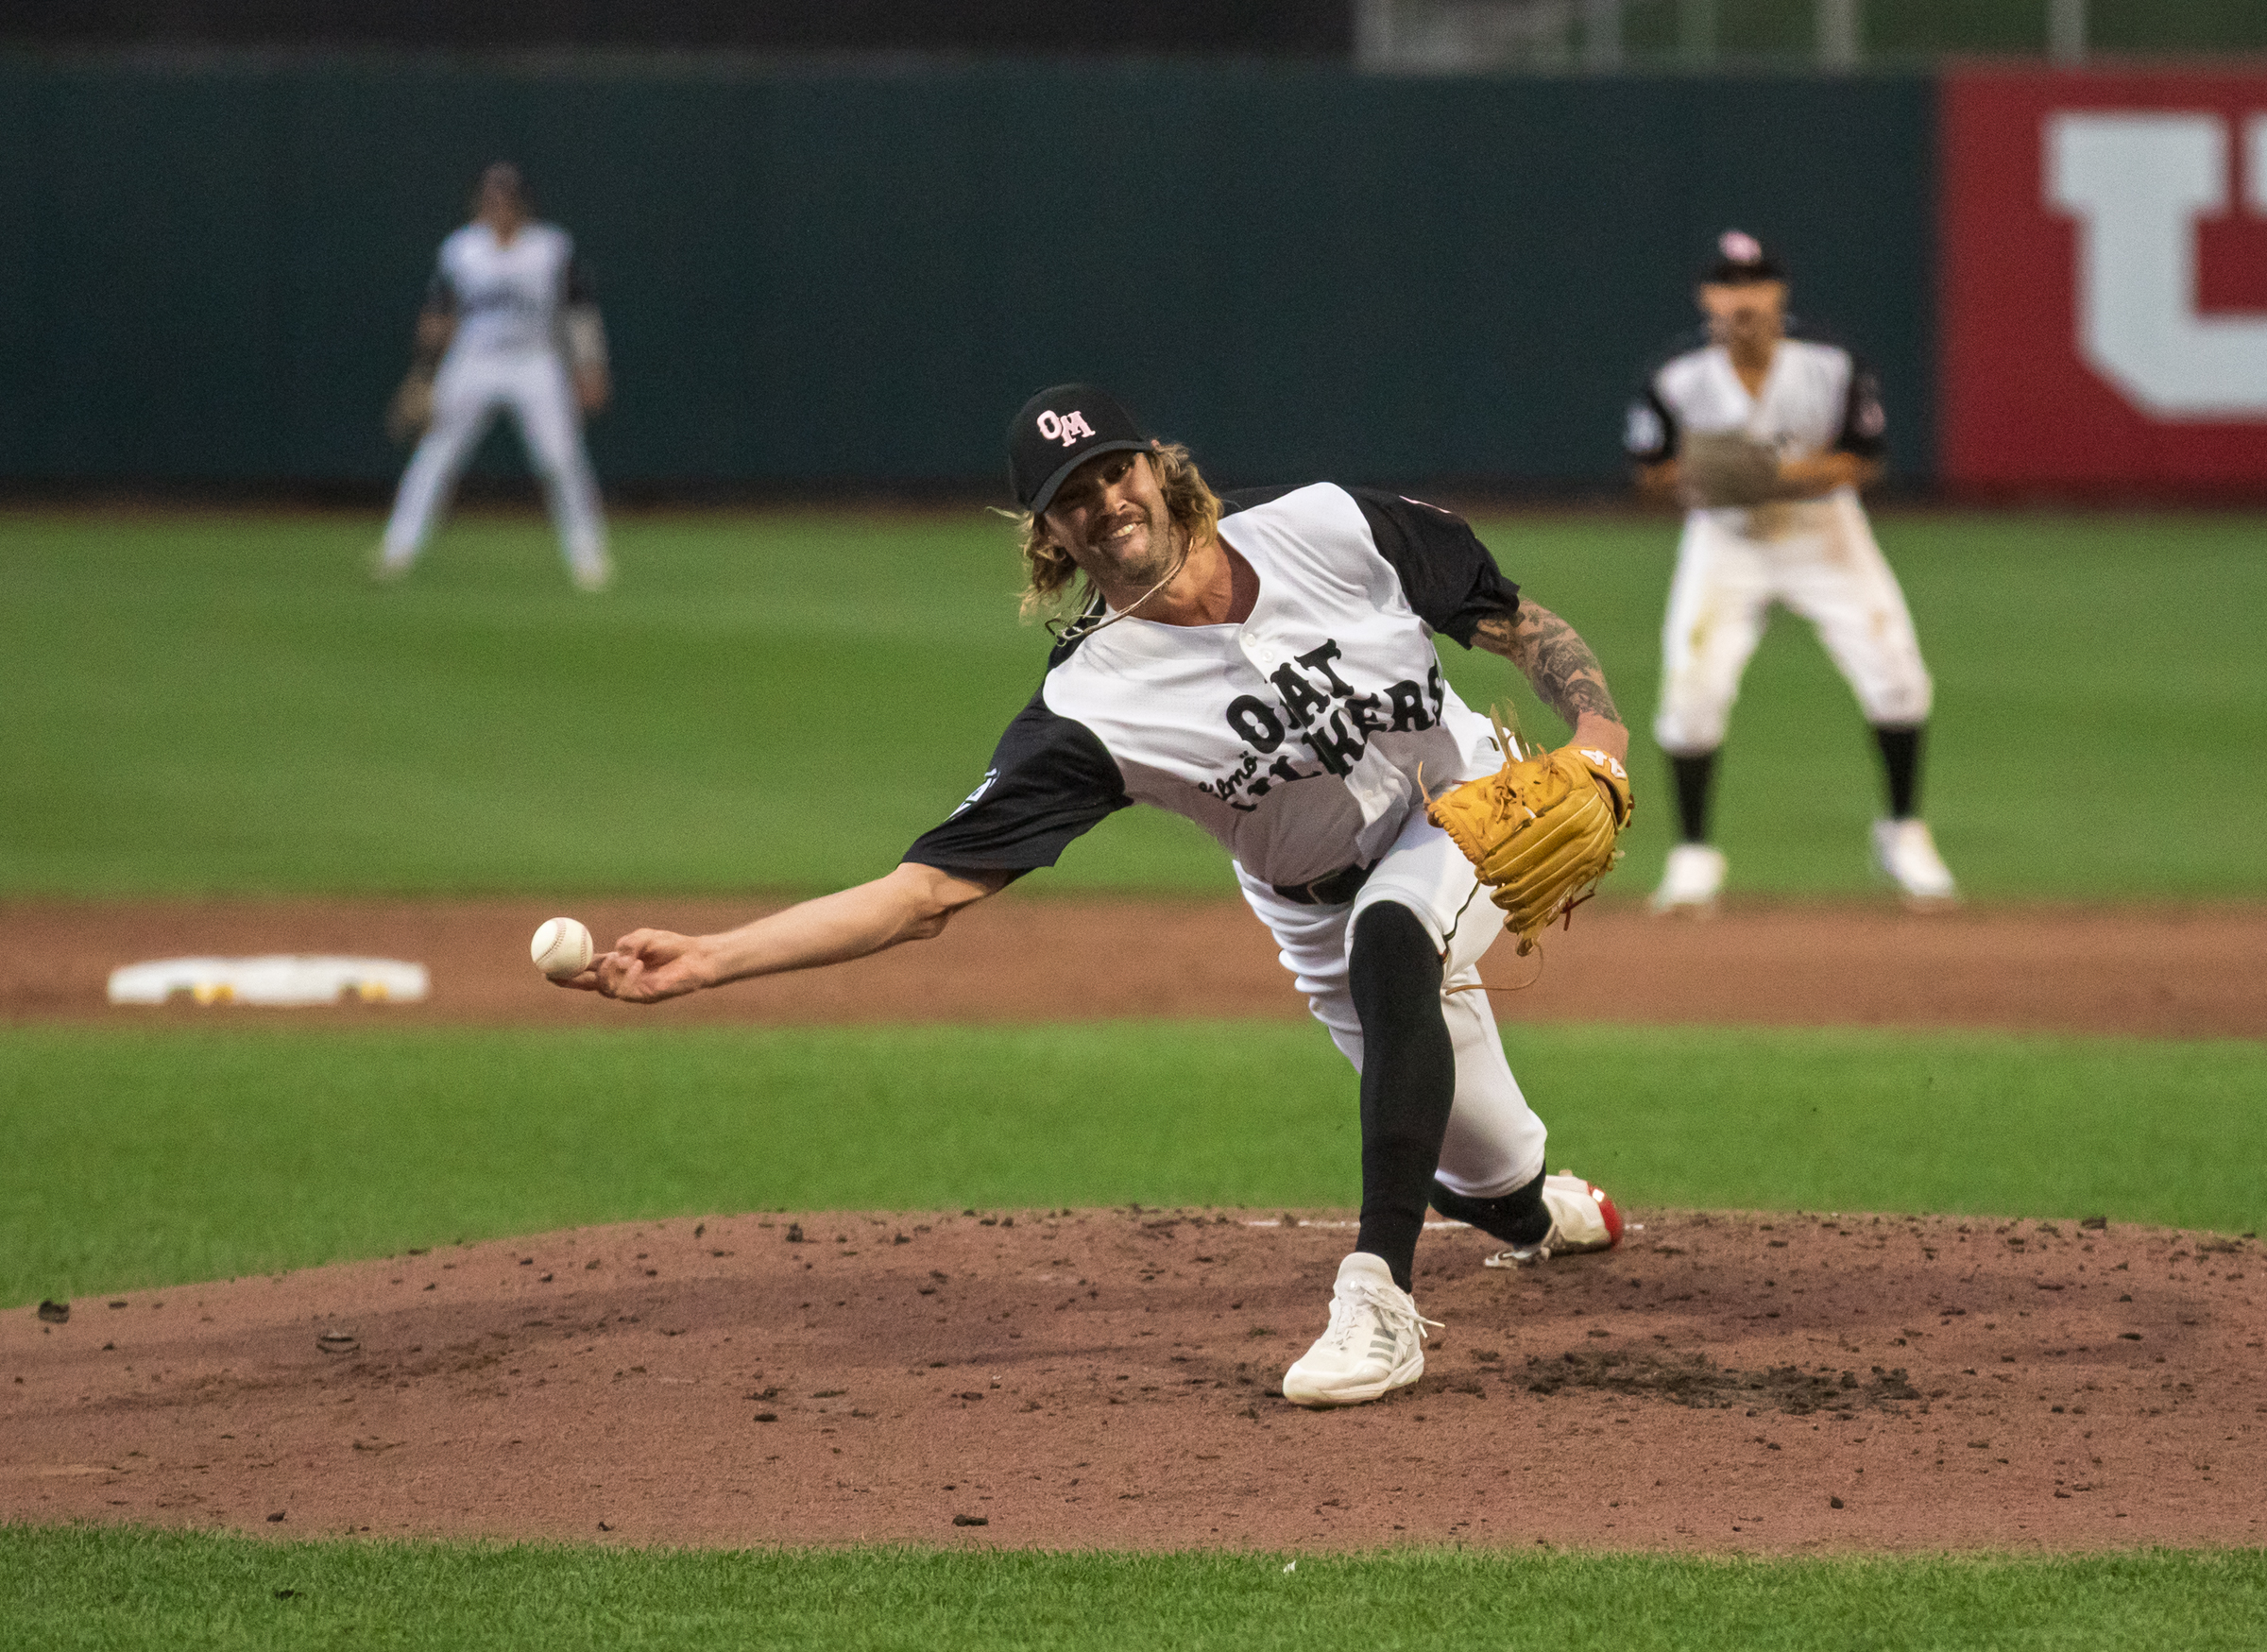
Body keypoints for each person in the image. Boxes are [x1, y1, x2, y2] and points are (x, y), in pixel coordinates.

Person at [556, 384, 1631, 1409]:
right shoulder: (1091, 707)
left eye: (1116, 472)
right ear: (1049, 536)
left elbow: (1516, 622)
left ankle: (1377, 1304)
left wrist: (1600, 733)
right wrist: (714, 957)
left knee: (1397, 933)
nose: (1104, 502)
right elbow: (924, 892)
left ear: (1161, 474)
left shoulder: (1331, 526)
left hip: (1476, 808)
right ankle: (1539, 1209)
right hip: (1316, 911)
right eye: (1073, 495)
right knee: (1480, 1171)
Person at [1627, 230, 1955, 911]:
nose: (1741, 299)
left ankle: (1902, 832)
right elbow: (1649, 471)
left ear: (1779, 293)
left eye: (1754, 284)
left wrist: (1775, 475)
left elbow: (1865, 457)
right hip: (1727, 541)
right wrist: (1699, 479)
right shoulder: (1677, 374)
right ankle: (1693, 858)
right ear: (1706, 297)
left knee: (1896, 673)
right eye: (1727, 285)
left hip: (1823, 535)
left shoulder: (1830, 363)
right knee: (1692, 692)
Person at [375, 162, 614, 591]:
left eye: (506, 200)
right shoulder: (461, 249)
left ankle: (588, 558)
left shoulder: (551, 248)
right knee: (435, 455)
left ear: (523, 205)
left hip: (535, 363)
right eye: (491, 200)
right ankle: (397, 551)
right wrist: (425, 373)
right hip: (473, 362)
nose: (498, 207)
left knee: (560, 459)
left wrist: (589, 367)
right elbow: (437, 315)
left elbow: (579, 313)